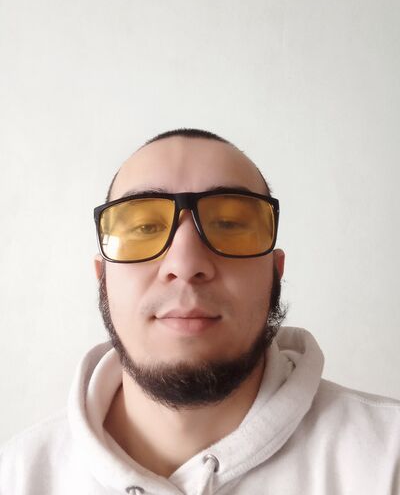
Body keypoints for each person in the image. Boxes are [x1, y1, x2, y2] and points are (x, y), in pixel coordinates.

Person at [1, 128, 400, 495]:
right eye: (145, 227)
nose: (186, 263)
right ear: (102, 276)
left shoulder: (388, 462)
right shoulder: (15, 476)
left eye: (228, 223)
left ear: (275, 271)